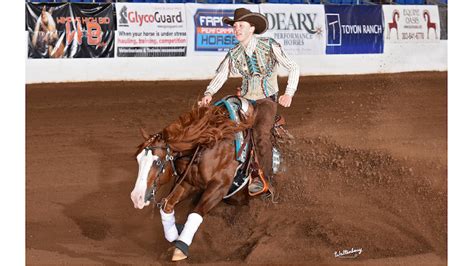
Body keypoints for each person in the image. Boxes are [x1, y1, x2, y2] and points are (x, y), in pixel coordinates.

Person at [199, 8, 299, 195]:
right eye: (235, 26)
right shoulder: (234, 53)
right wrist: (209, 93)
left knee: (260, 133)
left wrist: (289, 93)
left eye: (241, 26)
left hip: (266, 100)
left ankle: (265, 180)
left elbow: (293, 67)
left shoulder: (269, 45)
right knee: (223, 128)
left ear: (252, 28)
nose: (236, 29)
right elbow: (221, 75)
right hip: (244, 100)